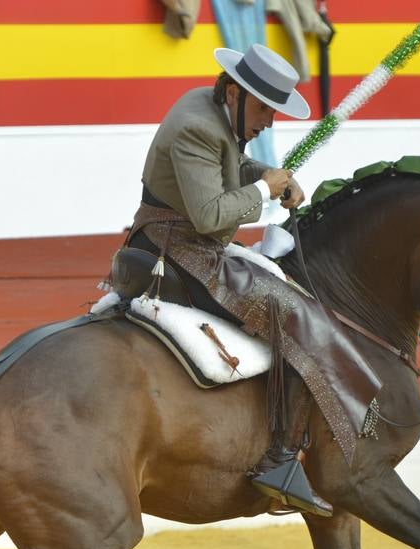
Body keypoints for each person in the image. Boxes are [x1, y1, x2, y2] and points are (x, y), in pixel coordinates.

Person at [120, 44, 381, 517]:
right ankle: (280, 459)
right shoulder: (197, 126)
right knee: (290, 312)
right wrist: (266, 189)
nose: (269, 123)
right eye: (265, 108)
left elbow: (226, 169)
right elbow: (209, 214)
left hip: (185, 242)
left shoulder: (211, 108)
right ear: (236, 92)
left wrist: (266, 174)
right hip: (177, 248)